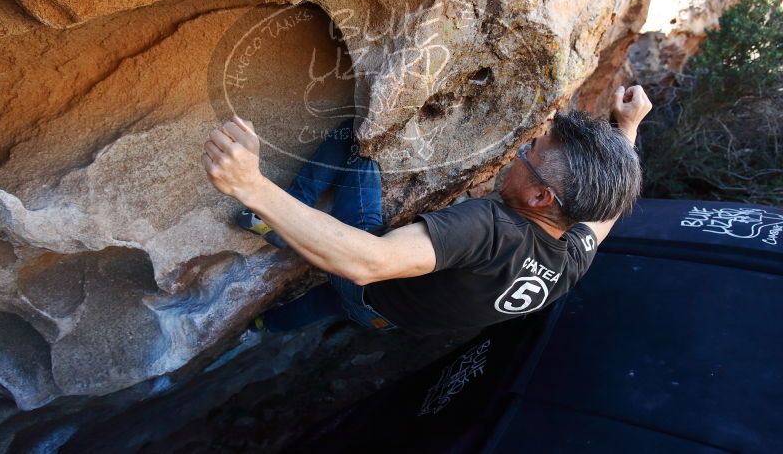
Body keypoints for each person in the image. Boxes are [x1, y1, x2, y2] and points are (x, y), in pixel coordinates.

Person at [201, 85, 652, 335]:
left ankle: (275, 218)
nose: (520, 152)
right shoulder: (570, 257)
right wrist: (626, 130)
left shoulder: (486, 228)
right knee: (325, 303)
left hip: (367, 284)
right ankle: (260, 327)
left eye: (529, 154)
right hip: (386, 318)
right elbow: (602, 218)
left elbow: (367, 261)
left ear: (540, 199)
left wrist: (252, 186)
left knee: (359, 142)